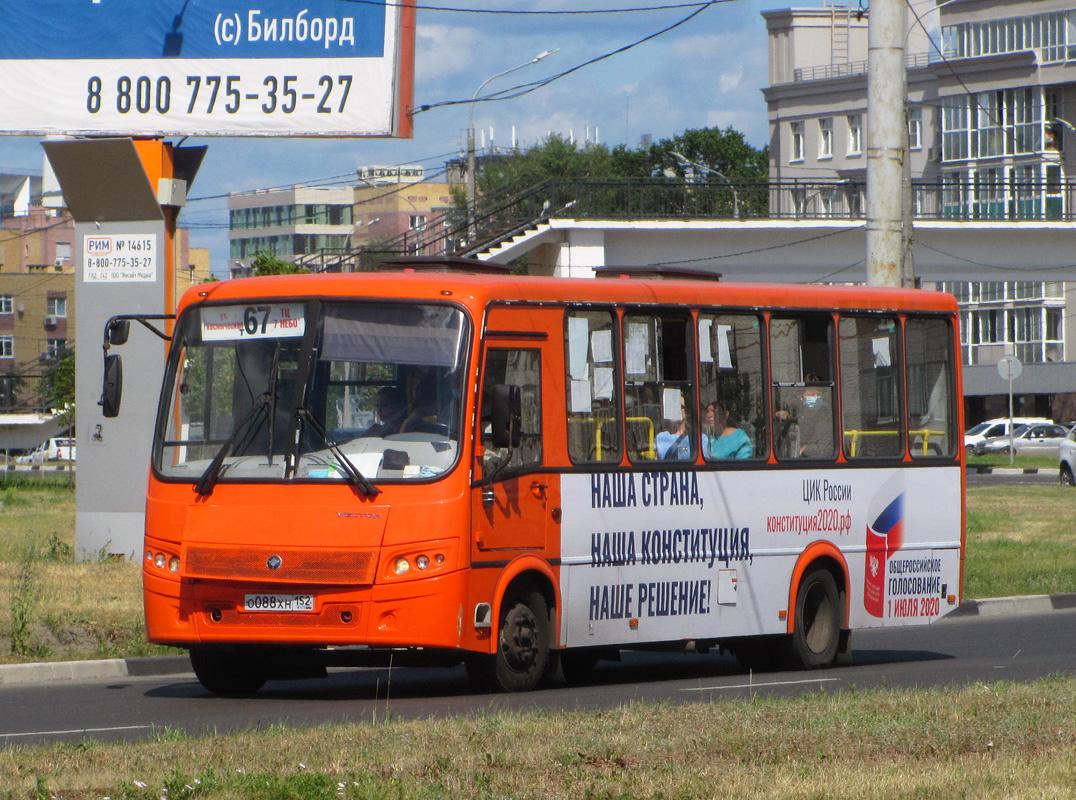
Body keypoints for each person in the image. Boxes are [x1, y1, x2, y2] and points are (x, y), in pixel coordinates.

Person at [775, 374, 834, 458]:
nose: (816, 397)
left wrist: (804, 450)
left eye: (819, 394)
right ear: (801, 397)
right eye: (812, 394)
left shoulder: (826, 417)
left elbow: (826, 448)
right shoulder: (796, 415)